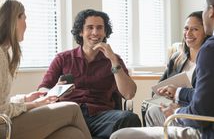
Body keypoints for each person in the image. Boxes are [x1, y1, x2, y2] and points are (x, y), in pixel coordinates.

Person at [110, 0, 214, 139]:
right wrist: (179, 92)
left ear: (211, 11)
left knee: (121, 136)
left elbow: (199, 116)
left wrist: (175, 112)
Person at [38, 9, 141, 139]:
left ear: (105, 32)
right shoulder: (63, 58)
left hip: (101, 117)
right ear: (81, 32)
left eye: (99, 28)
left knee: (129, 118)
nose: (95, 32)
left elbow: (129, 93)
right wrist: (55, 91)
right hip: (68, 115)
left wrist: (113, 60)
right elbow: (42, 89)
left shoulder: (114, 60)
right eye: (90, 28)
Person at [0, 0, 92, 139]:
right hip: (3, 127)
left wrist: (25, 98)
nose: (26, 25)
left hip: (5, 123)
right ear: (14, 20)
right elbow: (2, 111)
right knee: (72, 109)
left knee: (72, 134)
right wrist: (33, 104)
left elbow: (2, 104)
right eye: (24, 18)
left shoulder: (4, 52)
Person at [144, 11, 208, 127]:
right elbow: (157, 90)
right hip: (171, 105)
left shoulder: (209, 61)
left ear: (205, 32)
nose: (188, 33)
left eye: (195, 29)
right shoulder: (176, 58)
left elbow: (205, 97)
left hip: (190, 112)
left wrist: (178, 92)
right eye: (186, 28)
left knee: (153, 112)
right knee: (152, 109)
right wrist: (165, 92)